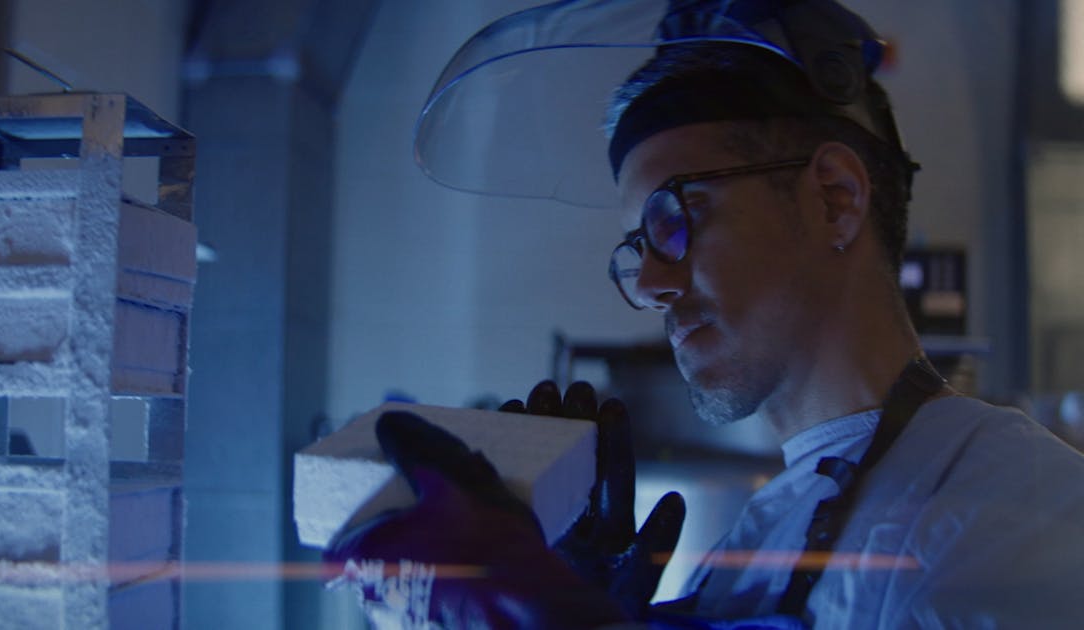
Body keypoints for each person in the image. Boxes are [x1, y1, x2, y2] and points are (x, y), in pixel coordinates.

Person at [326, 1, 1084, 628]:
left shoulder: (1020, 509)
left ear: (835, 199)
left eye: (673, 218)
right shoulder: (762, 537)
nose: (654, 285)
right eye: (638, 246)